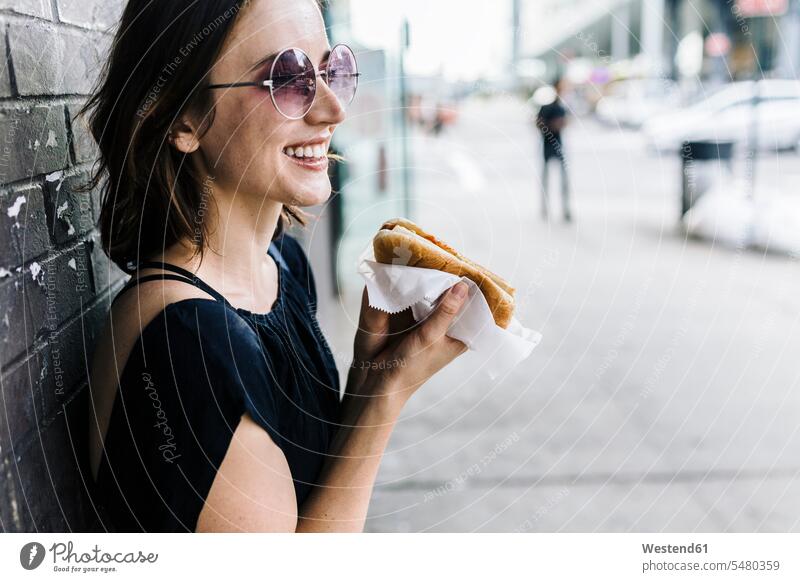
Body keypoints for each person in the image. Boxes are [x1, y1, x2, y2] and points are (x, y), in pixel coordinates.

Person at [83, 0, 469, 533]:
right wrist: (385, 399)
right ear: (182, 118)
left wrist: (369, 376)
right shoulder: (186, 346)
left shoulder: (281, 265)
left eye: (332, 71)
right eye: (288, 79)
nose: (333, 109)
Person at [535, 78, 572, 222]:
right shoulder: (547, 107)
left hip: (558, 147)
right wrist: (552, 126)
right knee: (546, 180)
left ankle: (565, 209)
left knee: (563, 180)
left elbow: (564, 123)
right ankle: (545, 208)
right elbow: (539, 123)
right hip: (547, 147)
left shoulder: (561, 108)